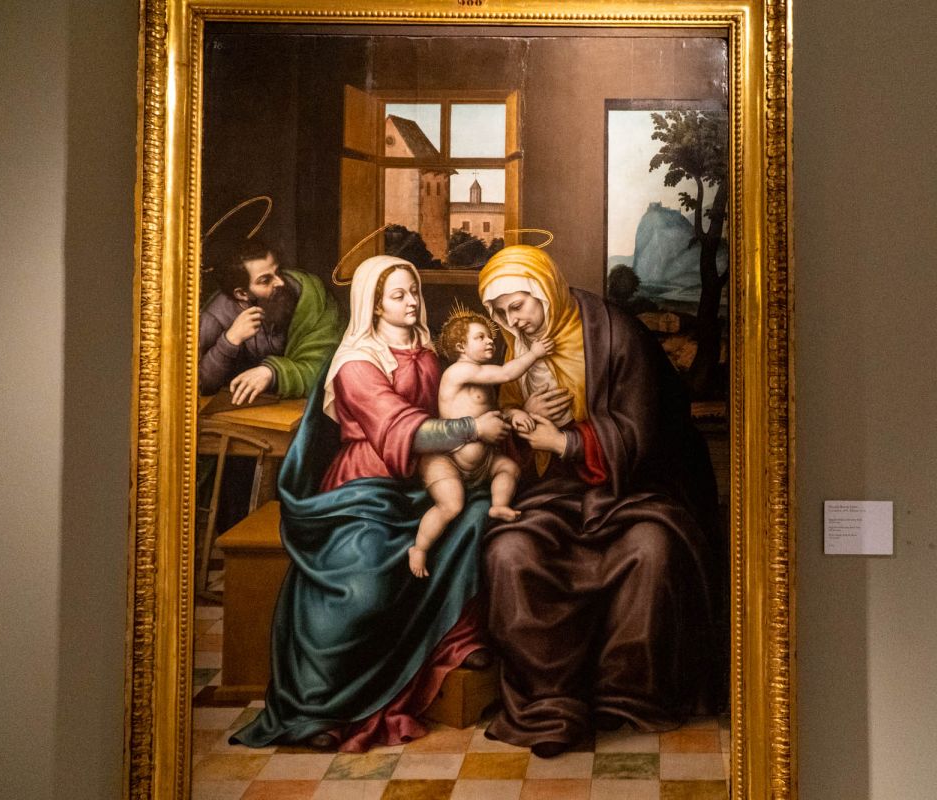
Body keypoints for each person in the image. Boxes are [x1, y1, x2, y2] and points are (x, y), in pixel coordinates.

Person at [231, 255, 508, 751]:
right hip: (363, 489)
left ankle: (454, 640)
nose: (411, 301)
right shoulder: (356, 363)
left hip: (421, 479)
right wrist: (472, 428)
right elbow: (400, 428)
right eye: (398, 295)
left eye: (413, 291)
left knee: (474, 518)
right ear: (373, 304)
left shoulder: (426, 350)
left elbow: (449, 405)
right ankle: (319, 704)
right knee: (364, 584)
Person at [477, 245, 725, 758]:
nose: (512, 321)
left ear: (545, 289)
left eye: (517, 305)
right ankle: (549, 704)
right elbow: (509, 444)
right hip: (551, 496)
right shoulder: (516, 350)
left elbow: (644, 432)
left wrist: (566, 441)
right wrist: (523, 417)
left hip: (629, 490)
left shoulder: (617, 334)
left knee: (652, 549)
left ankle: (623, 695)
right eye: (500, 313)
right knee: (509, 554)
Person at [408, 311, 554, 578]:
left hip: (482, 463)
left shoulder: (482, 380)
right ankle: (419, 548)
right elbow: (506, 373)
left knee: (509, 468)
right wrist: (534, 353)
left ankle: (498, 505)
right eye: (480, 337)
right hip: (447, 460)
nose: (489, 342)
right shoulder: (459, 371)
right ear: (461, 347)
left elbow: (493, 413)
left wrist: (514, 414)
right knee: (451, 505)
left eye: (490, 337)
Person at [199, 239, 343, 403]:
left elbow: (329, 369)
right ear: (242, 294)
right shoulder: (215, 317)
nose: (280, 282)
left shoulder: (311, 297)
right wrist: (230, 339)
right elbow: (199, 384)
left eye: (278, 272)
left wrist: (272, 372)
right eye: (265, 280)